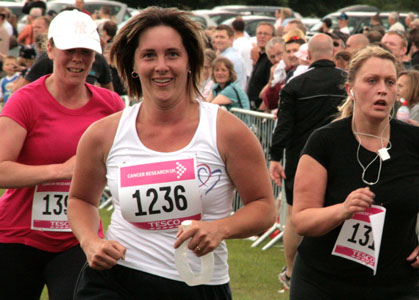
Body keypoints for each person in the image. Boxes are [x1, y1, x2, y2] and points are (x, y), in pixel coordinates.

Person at [67, 7, 275, 299]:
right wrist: (90, 242)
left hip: (198, 284)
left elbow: (265, 207)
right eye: (149, 55)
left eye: (173, 54)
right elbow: (80, 199)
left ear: (190, 61)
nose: (161, 66)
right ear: (133, 65)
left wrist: (220, 228)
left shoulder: (227, 131)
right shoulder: (104, 134)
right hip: (116, 280)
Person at [289, 45, 419, 300]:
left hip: (397, 284)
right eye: (372, 81)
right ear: (350, 89)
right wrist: (342, 210)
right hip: (325, 284)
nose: (382, 89)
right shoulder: (324, 142)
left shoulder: (417, 141)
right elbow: (301, 220)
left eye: (390, 82)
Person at [0, 10, 124, 300]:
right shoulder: (24, 101)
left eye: (86, 51)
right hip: (18, 237)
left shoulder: (111, 105)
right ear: (51, 49)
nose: (78, 59)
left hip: (79, 239)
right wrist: (61, 170)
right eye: (70, 50)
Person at [269, 33, 347, 291]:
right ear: (333, 53)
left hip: (302, 159)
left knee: (295, 216)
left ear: (309, 54)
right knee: (340, 212)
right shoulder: (346, 83)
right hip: (341, 157)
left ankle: (291, 272)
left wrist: (274, 157)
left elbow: (284, 125)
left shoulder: (295, 85)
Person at [247, 22, 275, 110]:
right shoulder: (260, 57)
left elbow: (270, 88)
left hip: (260, 111)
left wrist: (261, 111)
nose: (262, 36)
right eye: (259, 33)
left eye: (266, 34)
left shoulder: (271, 60)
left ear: (273, 37)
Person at [212, 25, 247, 90]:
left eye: (222, 37)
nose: (218, 40)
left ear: (231, 39)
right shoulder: (235, 55)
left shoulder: (228, 58)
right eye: (216, 37)